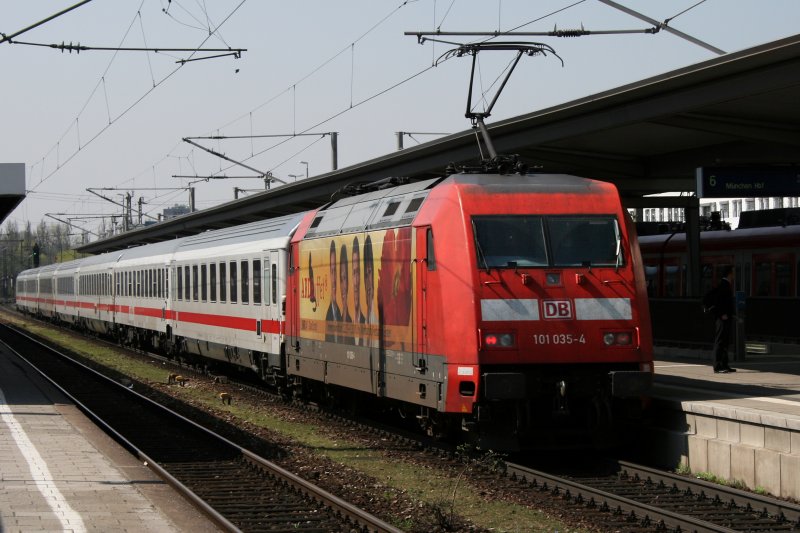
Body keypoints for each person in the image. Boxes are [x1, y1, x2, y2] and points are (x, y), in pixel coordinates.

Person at [711, 266, 737, 373]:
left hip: (727, 317)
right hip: (722, 318)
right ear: (729, 274)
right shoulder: (723, 285)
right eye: (733, 272)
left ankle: (725, 364)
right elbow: (718, 302)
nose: (734, 275)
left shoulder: (726, 285)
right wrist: (722, 314)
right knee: (720, 341)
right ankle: (717, 365)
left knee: (725, 342)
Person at [325, 241, 342, 342]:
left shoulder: (343, 315)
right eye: (332, 271)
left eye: (335, 271)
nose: (334, 278)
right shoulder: (328, 316)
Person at [351, 236, 366, 345]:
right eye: (353, 273)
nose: (356, 281)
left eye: (358, 273)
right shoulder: (345, 318)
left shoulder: (366, 320)